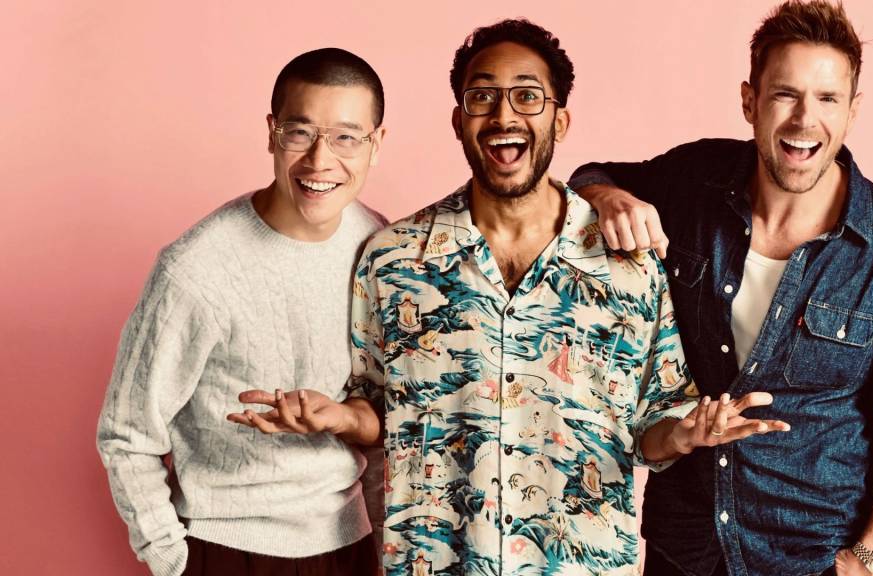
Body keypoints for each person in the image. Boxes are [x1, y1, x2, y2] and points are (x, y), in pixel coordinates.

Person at [347, 19, 785, 575]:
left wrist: (685, 433)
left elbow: (655, 423)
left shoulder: (629, 268)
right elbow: (370, 409)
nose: (504, 115)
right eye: (482, 96)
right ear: (458, 121)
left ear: (560, 120)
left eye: (528, 96)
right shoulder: (392, 261)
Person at [568, 2, 873, 575]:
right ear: (749, 101)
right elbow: (588, 178)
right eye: (785, 95)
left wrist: (868, 560)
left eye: (827, 99)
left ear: (853, 110)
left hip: (811, 556)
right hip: (686, 550)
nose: (805, 120)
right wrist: (608, 198)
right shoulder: (693, 181)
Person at [97, 47, 387, 576]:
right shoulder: (194, 268)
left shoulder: (377, 243)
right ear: (272, 133)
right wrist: (172, 560)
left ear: (376, 143)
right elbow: (127, 433)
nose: (320, 160)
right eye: (300, 132)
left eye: (346, 137)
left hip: (350, 547)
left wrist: (386, 546)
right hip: (226, 548)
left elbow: (383, 410)